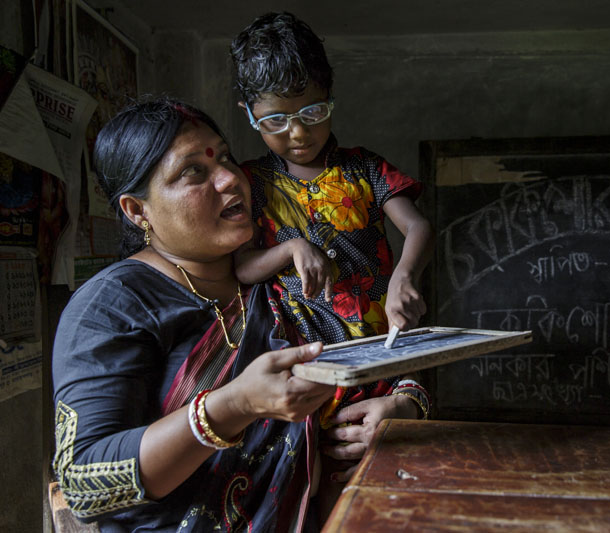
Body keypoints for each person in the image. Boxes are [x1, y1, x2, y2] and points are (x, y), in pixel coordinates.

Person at [50, 96, 407, 532]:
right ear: (137, 210)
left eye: (224, 157)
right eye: (193, 172)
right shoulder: (112, 304)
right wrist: (234, 405)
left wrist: (405, 402)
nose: (230, 179)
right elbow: (85, 484)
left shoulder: (273, 280)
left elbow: (363, 347)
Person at [229, 14, 434, 487]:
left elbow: (418, 226)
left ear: (329, 98)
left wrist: (405, 275)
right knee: (309, 487)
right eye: (275, 120)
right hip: (302, 373)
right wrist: (290, 248)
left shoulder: (365, 169)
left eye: (312, 113)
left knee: (385, 477)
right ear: (248, 113)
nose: (298, 134)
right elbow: (241, 269)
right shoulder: (252, 183)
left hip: (379, 352)